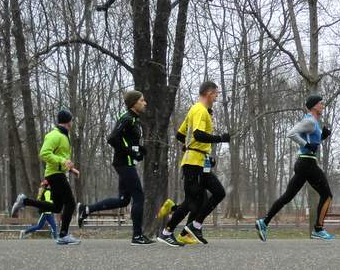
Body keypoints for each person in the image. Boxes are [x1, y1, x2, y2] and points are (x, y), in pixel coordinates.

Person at [157, 81, 230, 247]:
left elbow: (180, 134)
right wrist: (220, 138)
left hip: (200, 161)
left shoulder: (199, 110)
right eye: (216, 93)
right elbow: (197, 134)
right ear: (209, 93)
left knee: (217, 193)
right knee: (192, 202)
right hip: (192, 164)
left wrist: (200, 151)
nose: (217, 97)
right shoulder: (199, 110)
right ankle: (167, 232)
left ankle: (193, 227)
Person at [76, 91, 154, 246]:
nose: (145, 103)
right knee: (138, 196)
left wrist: (140, 150)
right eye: (142, 100)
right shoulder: (127, 118)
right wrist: (132, 152)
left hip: (127, 162)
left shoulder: (134, 120)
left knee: (123, 200)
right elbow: (112, 138)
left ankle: (86, 209)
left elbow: (127, 141)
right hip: (123, 163)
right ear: (134, 103)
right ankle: (137, 236)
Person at [255, 95, 335, 241]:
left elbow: (312, 144)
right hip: (307, 164)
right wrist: (306, 144)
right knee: (327, 195)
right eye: (321, 103)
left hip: (304, 163)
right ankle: (318, 229)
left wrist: (322, 137)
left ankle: (264, 222)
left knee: (287, 196)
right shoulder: (310, 121)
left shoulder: (313, 122)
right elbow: (291, 133)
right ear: (314, 106)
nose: (323, 105)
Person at [11, 109, 81, 245]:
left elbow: (61, 157)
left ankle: (25, 201)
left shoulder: (64, 135)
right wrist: (62, 162)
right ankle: (63, 235)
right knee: (71, 203)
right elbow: (44, 153)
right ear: (68, 121)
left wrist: (71, 169)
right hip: (55, 175)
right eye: (71, 120)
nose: (72, 122)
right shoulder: (54, 135)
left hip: (57, 173)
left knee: (56, 207)